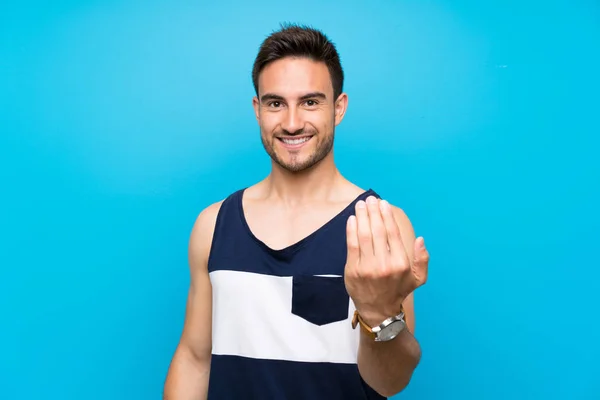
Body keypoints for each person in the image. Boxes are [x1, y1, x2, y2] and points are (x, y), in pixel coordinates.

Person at [163, 23, 430, 400]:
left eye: (310, 101)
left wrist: (378, 313)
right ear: (257, 109)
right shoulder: (213, 224)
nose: (291, 123)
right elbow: (194, 358)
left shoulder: (378, 225)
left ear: (338, 108)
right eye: (275, 103)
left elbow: (392, 382)